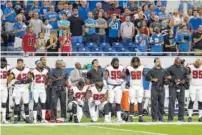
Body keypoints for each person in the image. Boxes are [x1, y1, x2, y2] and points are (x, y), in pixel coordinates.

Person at [7, 58, 32, 124]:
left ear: (23, 63)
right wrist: (15, 82)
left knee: (26, 104)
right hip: (17, 89)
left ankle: (27, 118)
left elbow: (30, 78)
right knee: (17, 104)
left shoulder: (27, 69)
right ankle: (15, 119)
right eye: (18, 63)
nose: (20, 64)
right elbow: (9, 79)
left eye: (21, 63)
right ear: (17, 63)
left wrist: (28, 80)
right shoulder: (14, 70)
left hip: (25, 88)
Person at [167, 57, 190, 122]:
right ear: (174, 61)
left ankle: (181, 118)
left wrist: (184, 81)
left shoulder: (184, 68)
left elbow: (187, 77)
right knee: (171, 103)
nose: (178, 63)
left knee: (182, 103)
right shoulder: (170, 68)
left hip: (181, 87)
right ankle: (170, 119)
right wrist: (174, 79)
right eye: (177, 62)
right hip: (173, 87)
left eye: (179, 62)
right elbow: (167, 77)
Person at [146, 58, 168, 122]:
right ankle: (154, 118)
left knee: (161, 103)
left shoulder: (163, 70)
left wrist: (166, 80)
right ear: (155, 62)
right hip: (154, 87)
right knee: (154, 103)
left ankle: (161, 118)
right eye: (157, 61)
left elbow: (166, 81)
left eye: (159, 61)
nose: (159, 62)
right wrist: (152, 79)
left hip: (162, 88)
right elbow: (147, 77)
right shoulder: (152, 70)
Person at [125, 57, 146, 122]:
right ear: (132, 62)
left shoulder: (142, 67)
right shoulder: (129, 68)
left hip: (140, 87)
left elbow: (146, 74)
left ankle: (140, 117)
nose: (136, 63)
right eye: (134, 62)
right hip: (132, 87)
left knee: (140, 101)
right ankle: (131, 117)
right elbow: (124, 75)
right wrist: (127, 81)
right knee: (132, 101)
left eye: (137, 61)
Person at [104, 58, 124, 122]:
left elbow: (124, 76)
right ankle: (108, 118)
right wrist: (105, 72)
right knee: (110, 102)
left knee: (118, 102)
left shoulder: (121, 67)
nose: (116, 64)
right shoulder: (109, 68)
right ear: (112, 63)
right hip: (111, 86)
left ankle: (119, 118)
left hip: (118, 86)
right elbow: (105, 77)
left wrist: (122, 79)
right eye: (115, 63)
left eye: (117, 63)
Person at [0, 57, 11, 124]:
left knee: (4, 103)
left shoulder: (8, 68)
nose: (3, 63)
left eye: (4, 61)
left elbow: (10, 77)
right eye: (2, 61)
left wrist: (9, 83)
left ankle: (3, 118)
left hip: (4, 87)